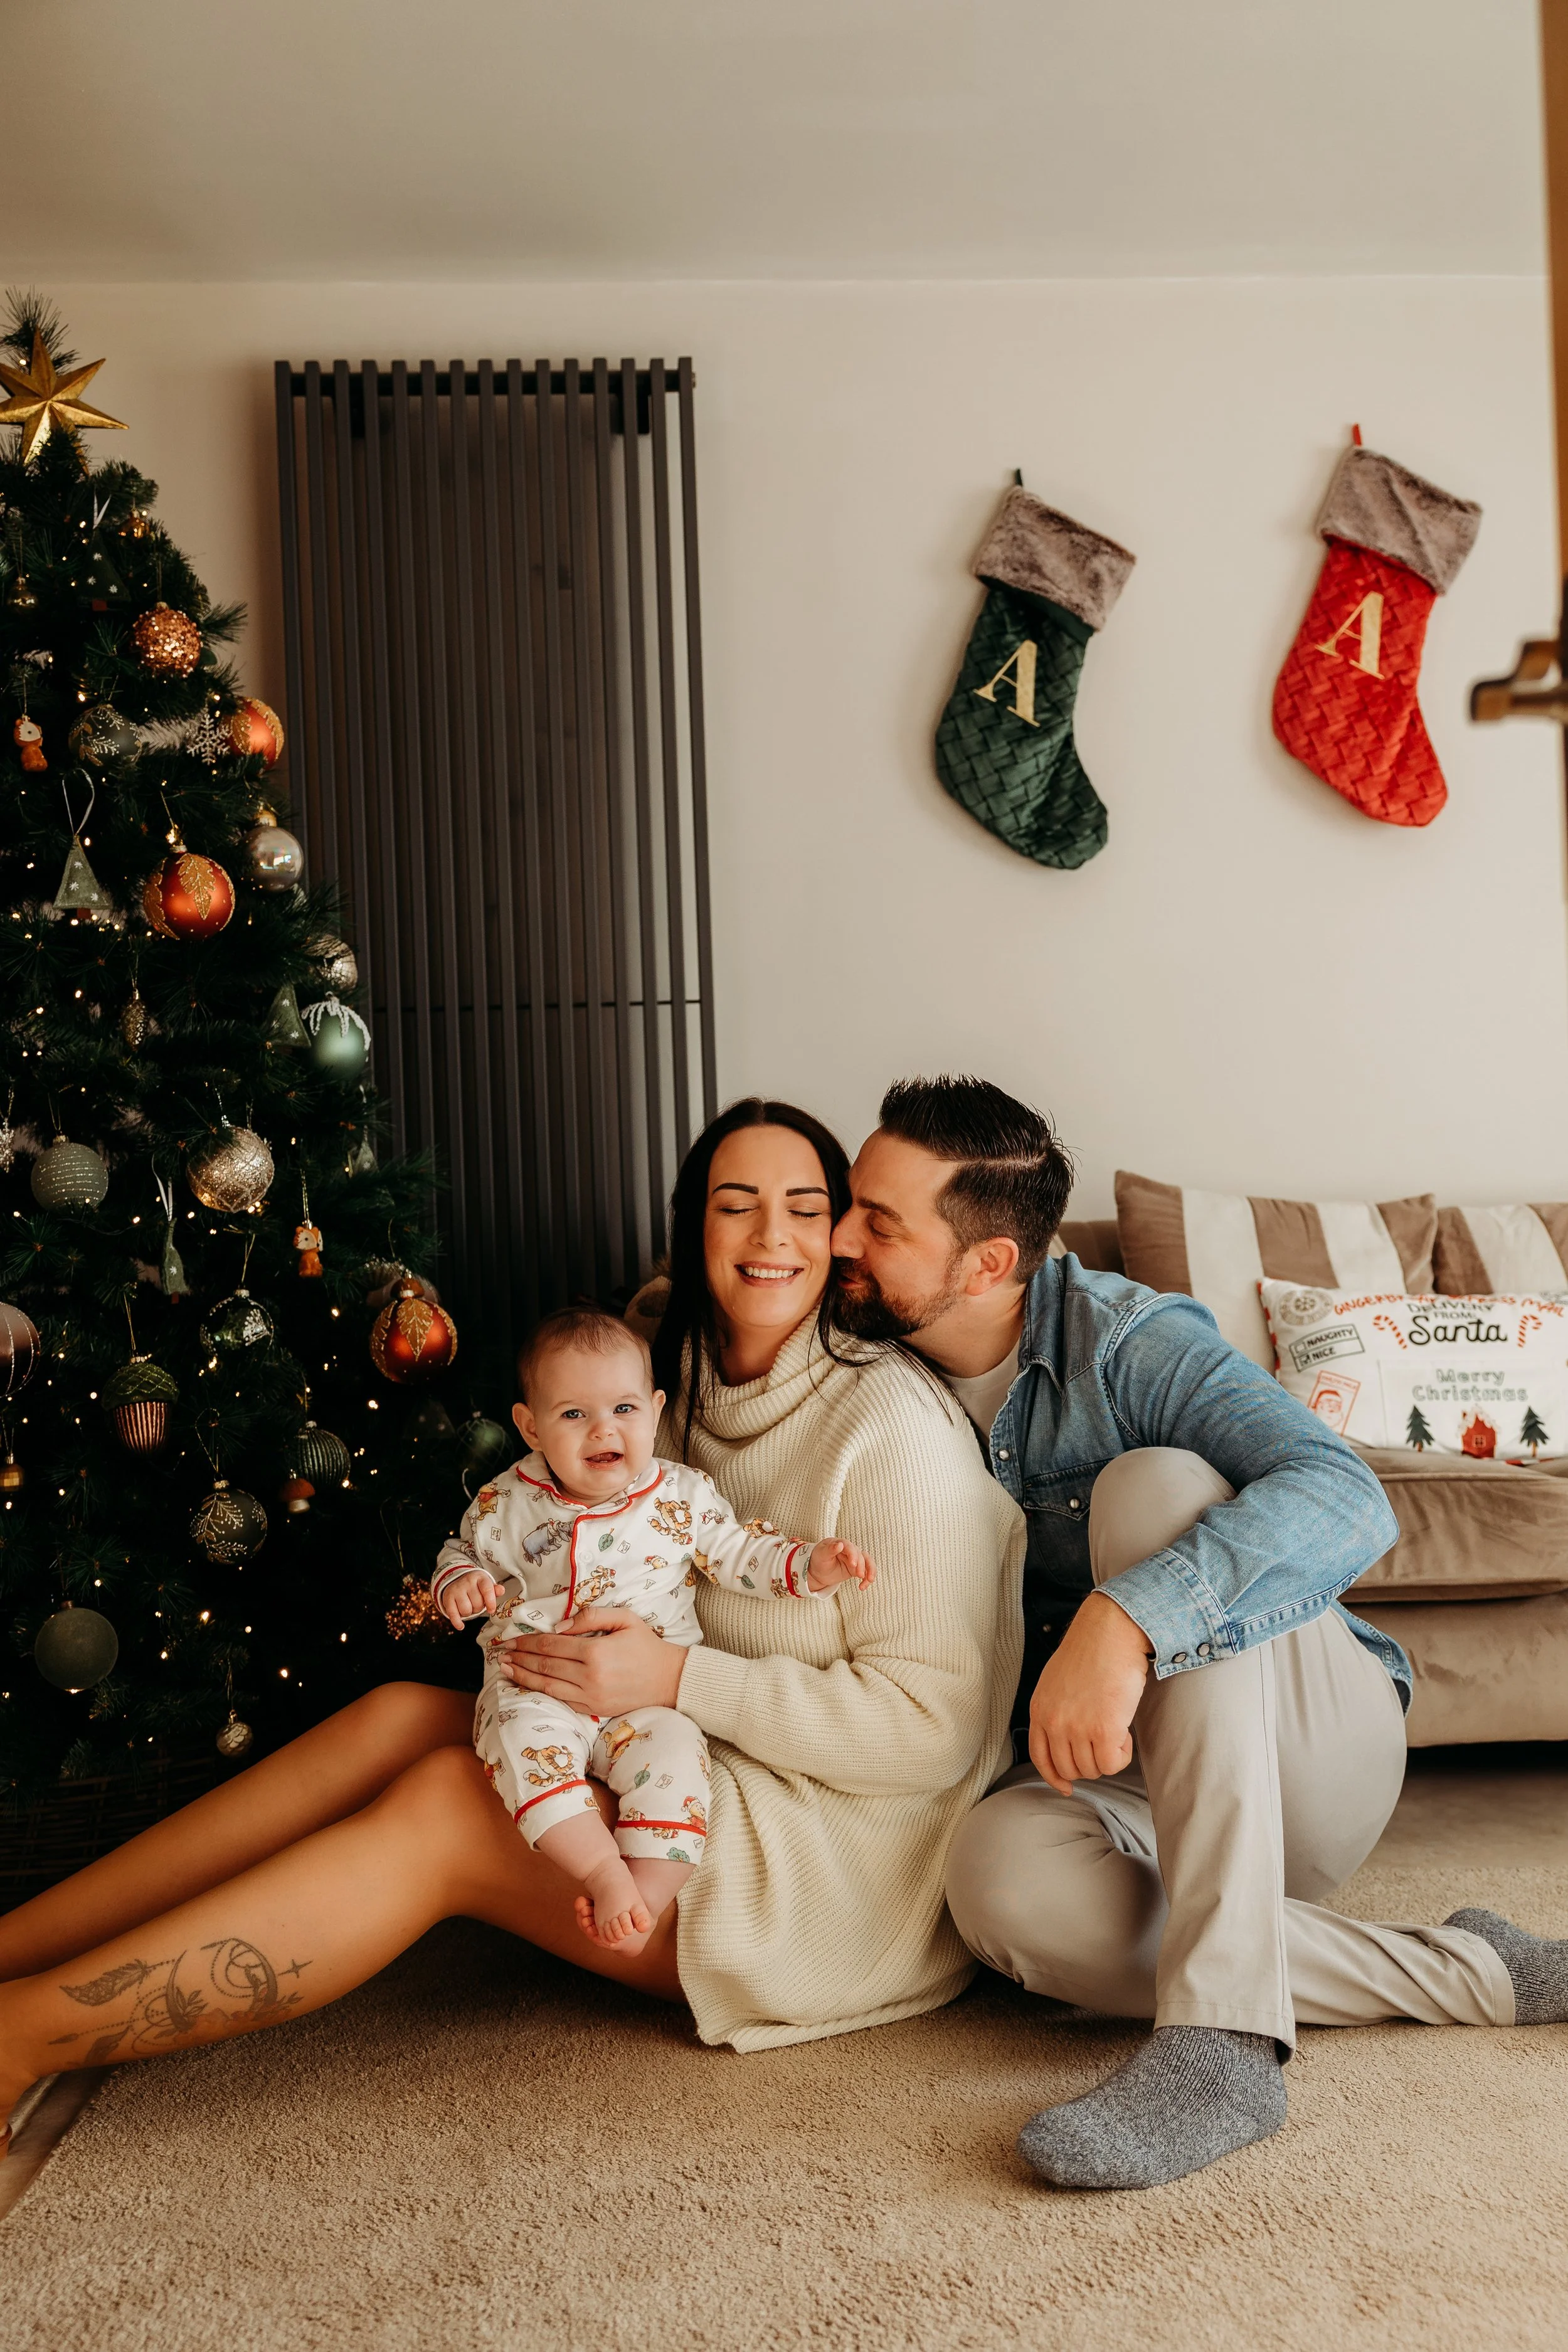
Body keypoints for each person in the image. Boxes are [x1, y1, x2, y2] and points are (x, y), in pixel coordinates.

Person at [0, 1097, 1022, 2150]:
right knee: (405, 1714)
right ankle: (8, 1951)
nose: (772, 1237)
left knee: (449, 1803)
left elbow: (930, 1734)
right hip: (683, 1757)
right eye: (736, 1205)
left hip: (831, 1877)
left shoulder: (895, 1432)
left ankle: (18, 2037)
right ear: (694, 1227)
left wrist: (673, 1679)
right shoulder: (670, 1384)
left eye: (807, 1209)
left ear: (842, 1232)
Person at [830, 1073, 1568, 2192]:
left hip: (1302, 1759)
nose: (839, 1236)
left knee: (1156, 1486)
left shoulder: (1125, 1339)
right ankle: (1479, 1970)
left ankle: (1219, 2047)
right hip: (1126, 1800)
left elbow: (1346, 1495)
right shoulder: (858, 1359)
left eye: (878, 1223)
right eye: (849, 1203)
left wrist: (1126, 1620)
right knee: (994, 1887)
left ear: (986, 1264)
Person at [433, 1303, 874, 1954]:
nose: (601, 1431)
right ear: (529, 1427)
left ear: (656, 1409)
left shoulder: (681, 1495)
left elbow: (739, 1553)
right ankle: (603, 1873)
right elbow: (460, 1552)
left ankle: (646, 1899)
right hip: (537, 1686)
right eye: (573, 1414)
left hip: (646, 1699)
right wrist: (460, 1583)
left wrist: (812, 1564)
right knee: (523, 1752)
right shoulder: (506, 1502)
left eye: (623, 1410)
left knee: (678, 1767)